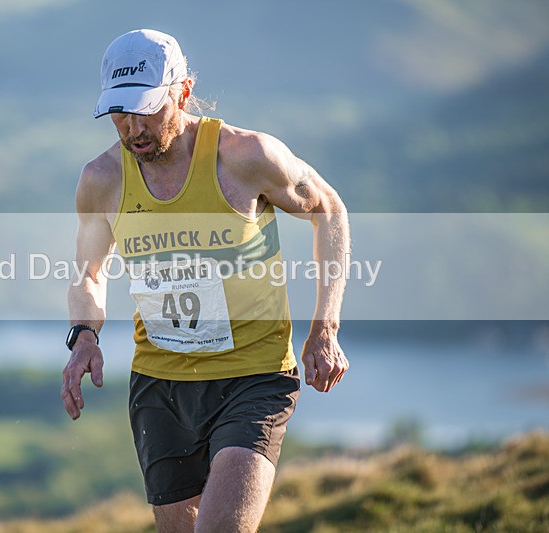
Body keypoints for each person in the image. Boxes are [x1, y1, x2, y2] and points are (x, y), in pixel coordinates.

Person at [61, 29, 349, 532]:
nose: (132, 129)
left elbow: (329, 210)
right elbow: (89, 272)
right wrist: (84, 335)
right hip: (161, 385)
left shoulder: (246, 156)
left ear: (183, 91)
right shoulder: (102, 179)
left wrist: (325, 327)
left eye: (147, 109)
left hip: (252, 377)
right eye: (119, 113)